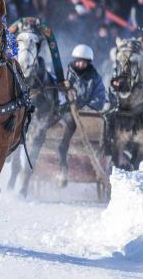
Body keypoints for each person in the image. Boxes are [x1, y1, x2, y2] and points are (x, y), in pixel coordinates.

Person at [56, 44, 106, 187]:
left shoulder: (94, 78)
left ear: (88, 63)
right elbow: (57, 93)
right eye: (78, 61)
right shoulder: (67, 75)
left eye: (83, 62)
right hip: (66, 113)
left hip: (85, 116)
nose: (80, 64)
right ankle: (62, 167)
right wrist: (63, 94)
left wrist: (84, 107)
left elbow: (100, 98)